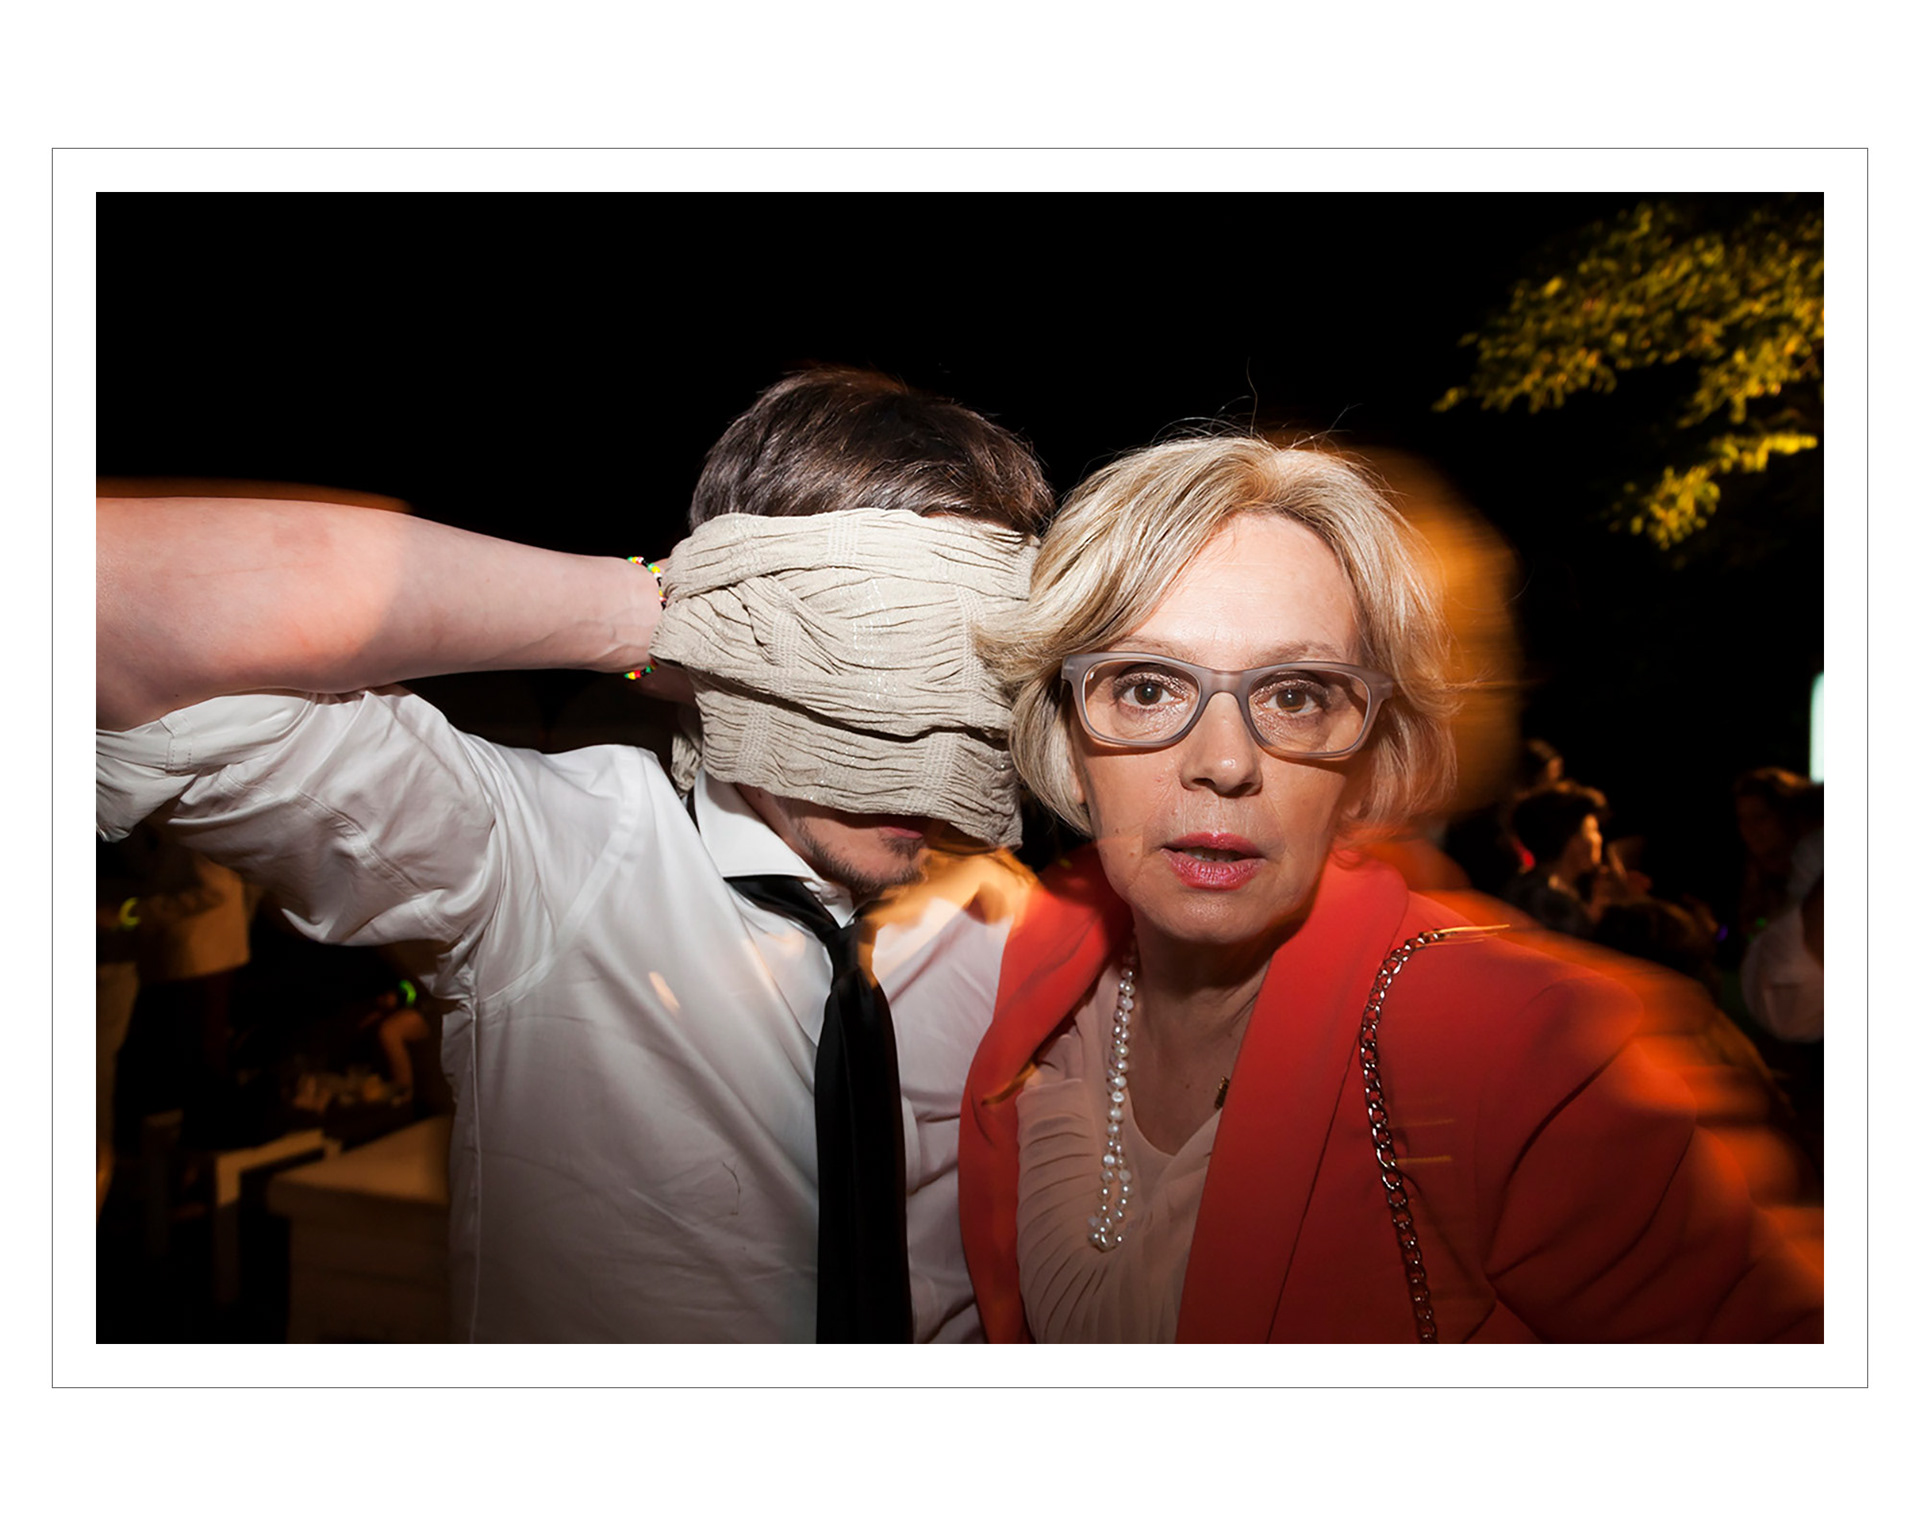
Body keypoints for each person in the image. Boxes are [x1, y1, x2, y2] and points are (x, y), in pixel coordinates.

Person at [97, 367, 1049, 1342]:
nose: (923, 742)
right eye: (876, 660)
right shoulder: (539, 859)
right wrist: (648, 613)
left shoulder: (1026, 933)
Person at [960, 435, 1822, 1343]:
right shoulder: (1028, 956)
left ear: (1367, 754)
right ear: (1067, 732)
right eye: (1146, 687)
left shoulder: (1518, 1049)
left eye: (1295, 694)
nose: (1225, 762)